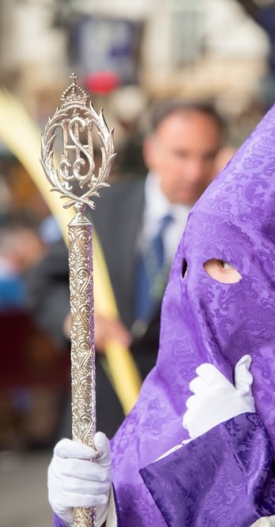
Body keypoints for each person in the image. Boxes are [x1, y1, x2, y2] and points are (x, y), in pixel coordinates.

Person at [46, 0, 275, 525]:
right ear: (154, 153)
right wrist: (93, 511)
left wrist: (246, 465)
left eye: (232, 267)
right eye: (194, 265)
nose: (205, 285)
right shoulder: (109, 210)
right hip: (114, 396)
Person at [25, 100, 225, 437]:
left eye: (207, 157)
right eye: (181, 154)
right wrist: (74, 319)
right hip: (101, 418)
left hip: (187, 426)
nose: (194, 171)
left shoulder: (226, 226)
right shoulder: (102, 207)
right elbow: (46, 281)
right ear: (152, 152)